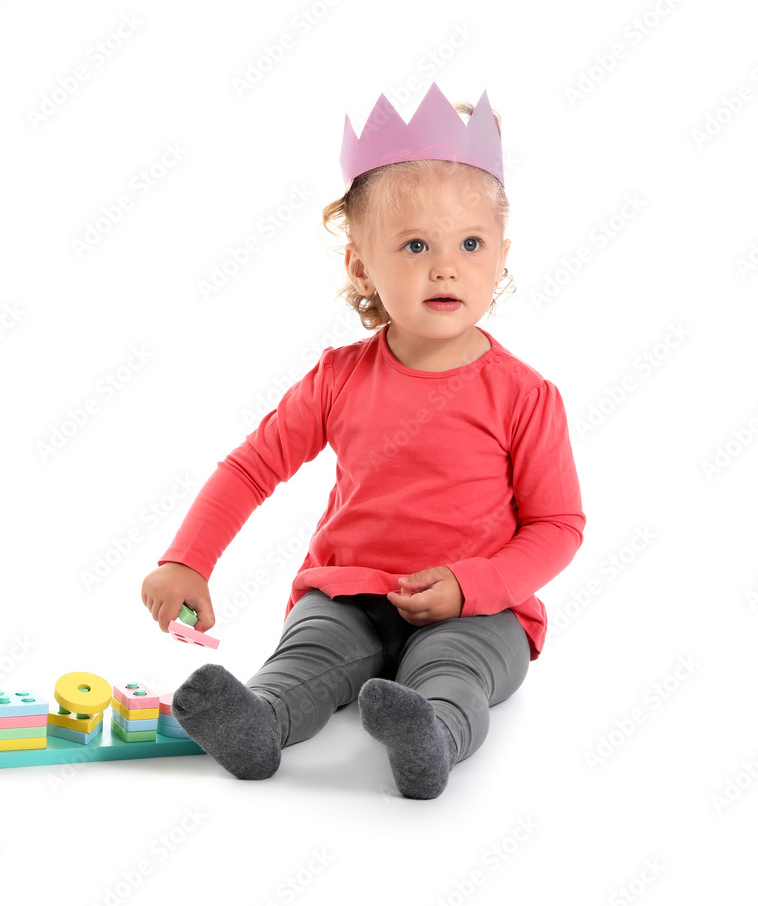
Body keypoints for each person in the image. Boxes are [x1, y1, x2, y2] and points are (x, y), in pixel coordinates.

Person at [140, 82, 586, 799]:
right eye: (415, 245)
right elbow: (252, 468)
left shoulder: (525, 395)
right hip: (349, 592)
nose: (446, 266)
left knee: (456, 670)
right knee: (308, 652)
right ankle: (260, 721)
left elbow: (558, 527)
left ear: (501, 256)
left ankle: (431, 735)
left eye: (470, 244)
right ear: (360, 265)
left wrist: (475, 584)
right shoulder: (338, 378)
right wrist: (186, 561)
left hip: (480, 609)